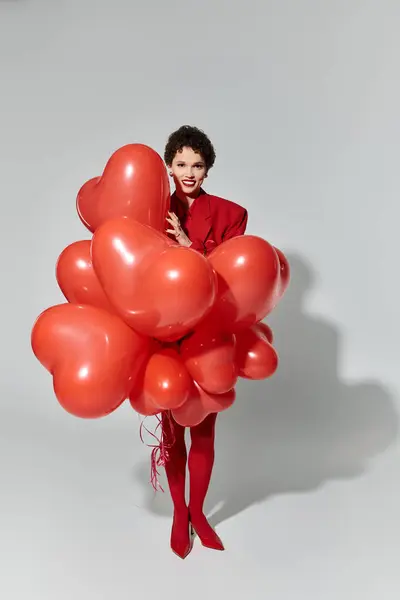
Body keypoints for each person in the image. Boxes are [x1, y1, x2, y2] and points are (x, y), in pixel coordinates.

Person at [160, 125, 248, 559]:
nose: (189, 172)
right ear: (168, 165)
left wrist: (188, 245)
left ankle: (199, 512)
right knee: (172, 432)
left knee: (206, 431)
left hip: (209, 332)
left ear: (208, 169)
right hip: (166, 331)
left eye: (197, 165)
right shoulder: (151, 208)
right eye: (181, 164)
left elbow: (229, 276)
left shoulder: (231, 215)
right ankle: (179, 513)